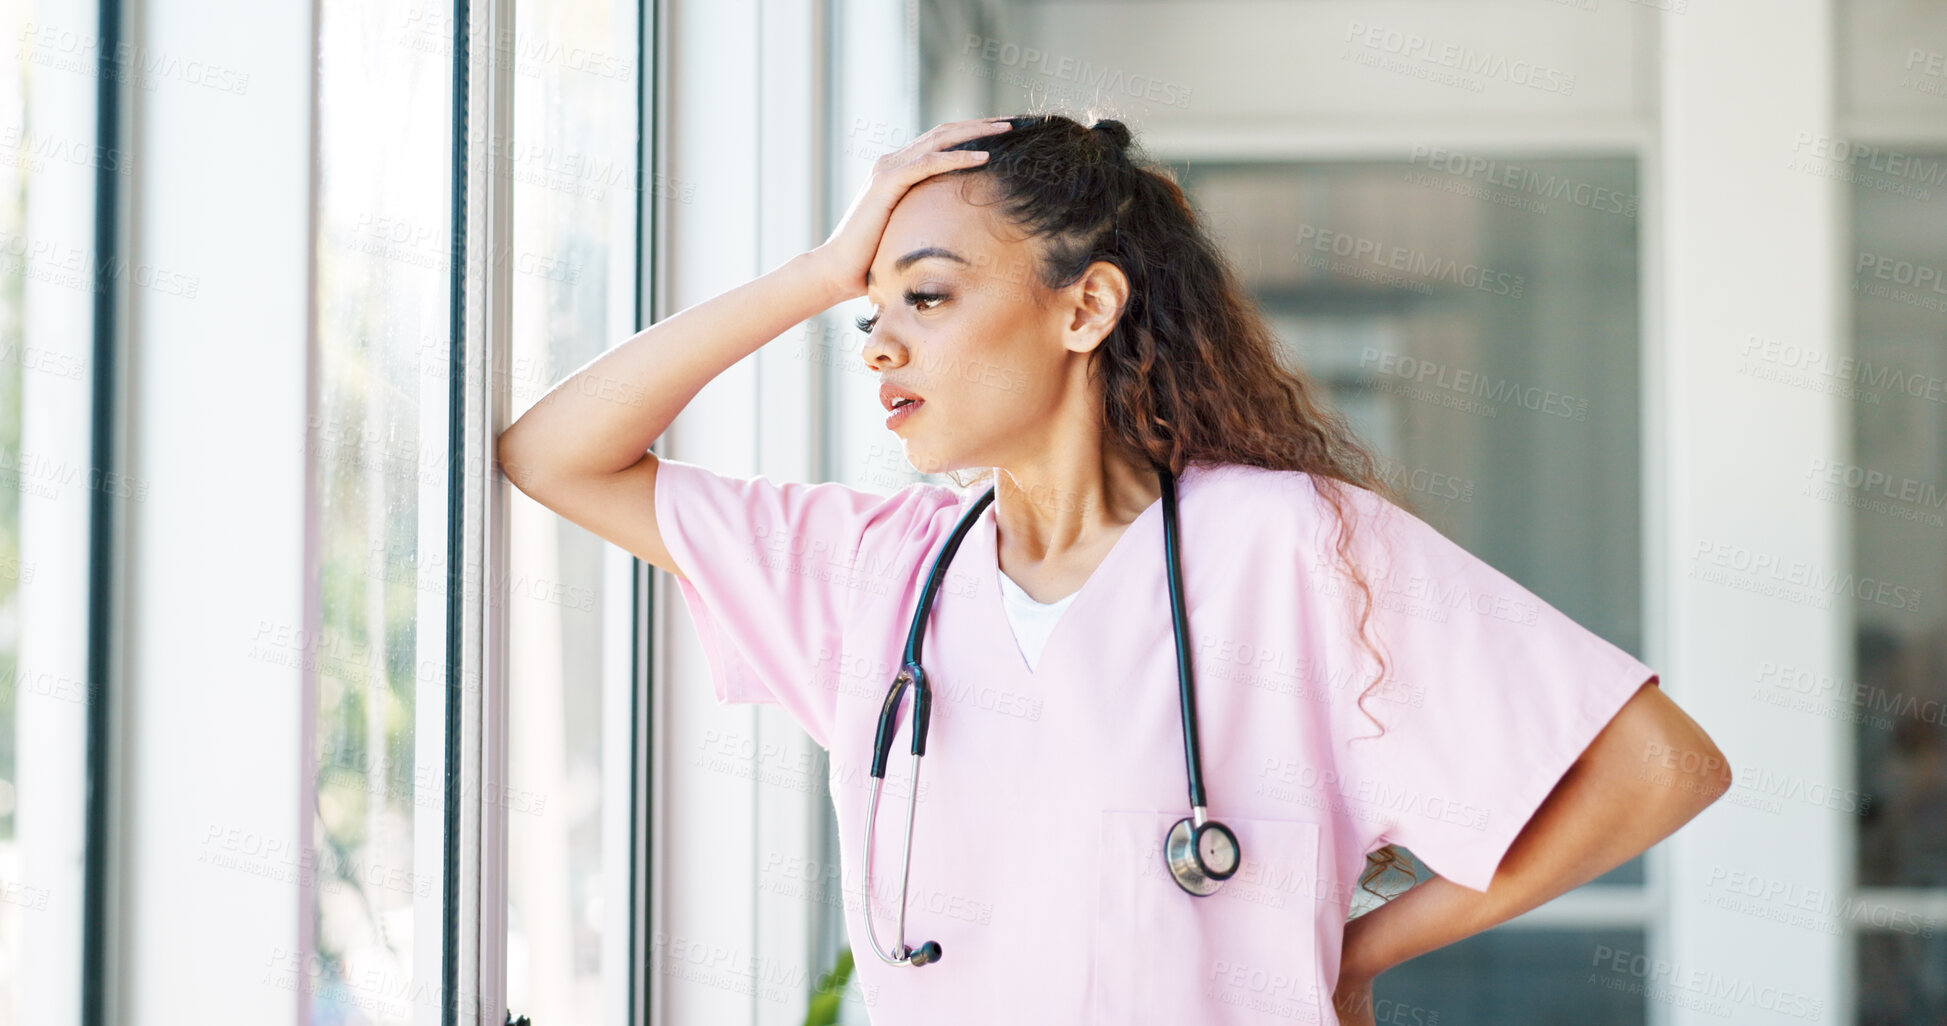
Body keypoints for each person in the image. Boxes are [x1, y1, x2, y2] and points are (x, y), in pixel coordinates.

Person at [496, 113, 1731, 1025]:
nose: (880, 348)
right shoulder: (876, 574)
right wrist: (823, 268)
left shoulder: (1286, 543)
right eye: (869, 318)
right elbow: (555, 455)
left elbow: (1657, 766)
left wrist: (1353, 955)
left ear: (1085, 309)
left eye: (925, 297)